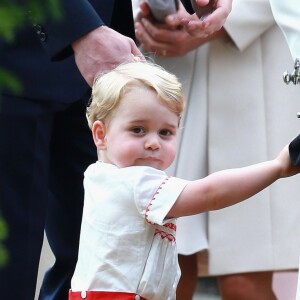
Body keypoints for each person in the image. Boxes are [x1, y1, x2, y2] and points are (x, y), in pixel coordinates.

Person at [68, 60, 300, 300]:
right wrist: (277, 167)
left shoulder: (99, 175)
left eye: (165, 132)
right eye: (138, 129)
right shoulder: (136, 182)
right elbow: (211, 194)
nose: (153, 142)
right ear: (101, 134)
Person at [133, 0, 300, 299]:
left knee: (244, 278)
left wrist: (228, 18)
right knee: (164, 261)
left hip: (250, 61)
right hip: (167, 65)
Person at [0, 1, 144, 300]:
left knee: (97, 265)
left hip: (105, 70)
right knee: (9, 267)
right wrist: (80, 28)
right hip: (13, 57)